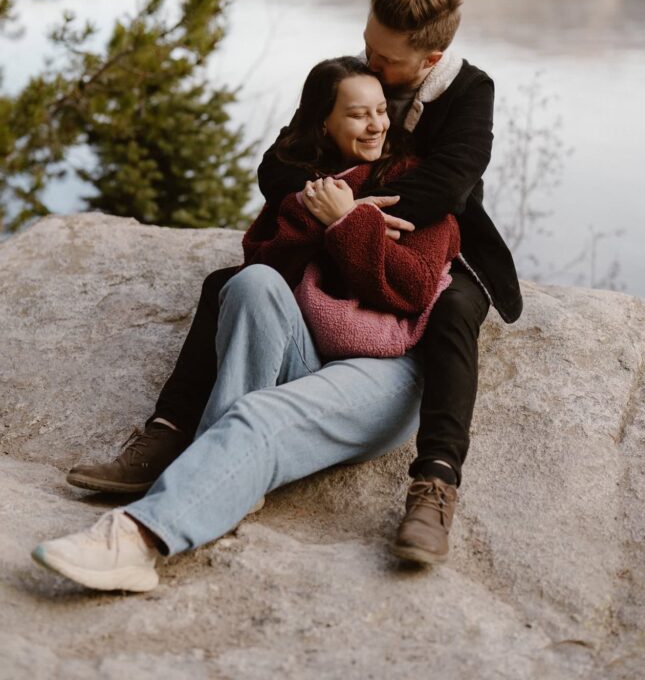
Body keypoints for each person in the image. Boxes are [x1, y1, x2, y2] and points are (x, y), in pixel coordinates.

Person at [62, 0, 522, 564]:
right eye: (368, 44)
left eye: (385, 59)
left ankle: (435, 479)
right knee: (235, 283)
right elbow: (278, 165)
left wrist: (351, 213)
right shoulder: (352, 80)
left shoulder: (468, 91)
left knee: (453, 314)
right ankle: (175, 435)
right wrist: (324, 202)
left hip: (434, 240)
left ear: (429, 59)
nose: (371, 61)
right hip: (342, 227)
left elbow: (447, 186)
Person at [32, 57, 461, 591]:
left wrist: (352, 222)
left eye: (381, 111)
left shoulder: (418, 187)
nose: (375, 125)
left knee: (259, 415)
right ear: (324, 122)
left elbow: (412, 287)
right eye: (358, 114)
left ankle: (137, 539)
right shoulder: (309, 187)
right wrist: (321, 217)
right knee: (251, 283)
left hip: (386, 371)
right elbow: (261, 262)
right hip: (311, 349)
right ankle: (227, 476)